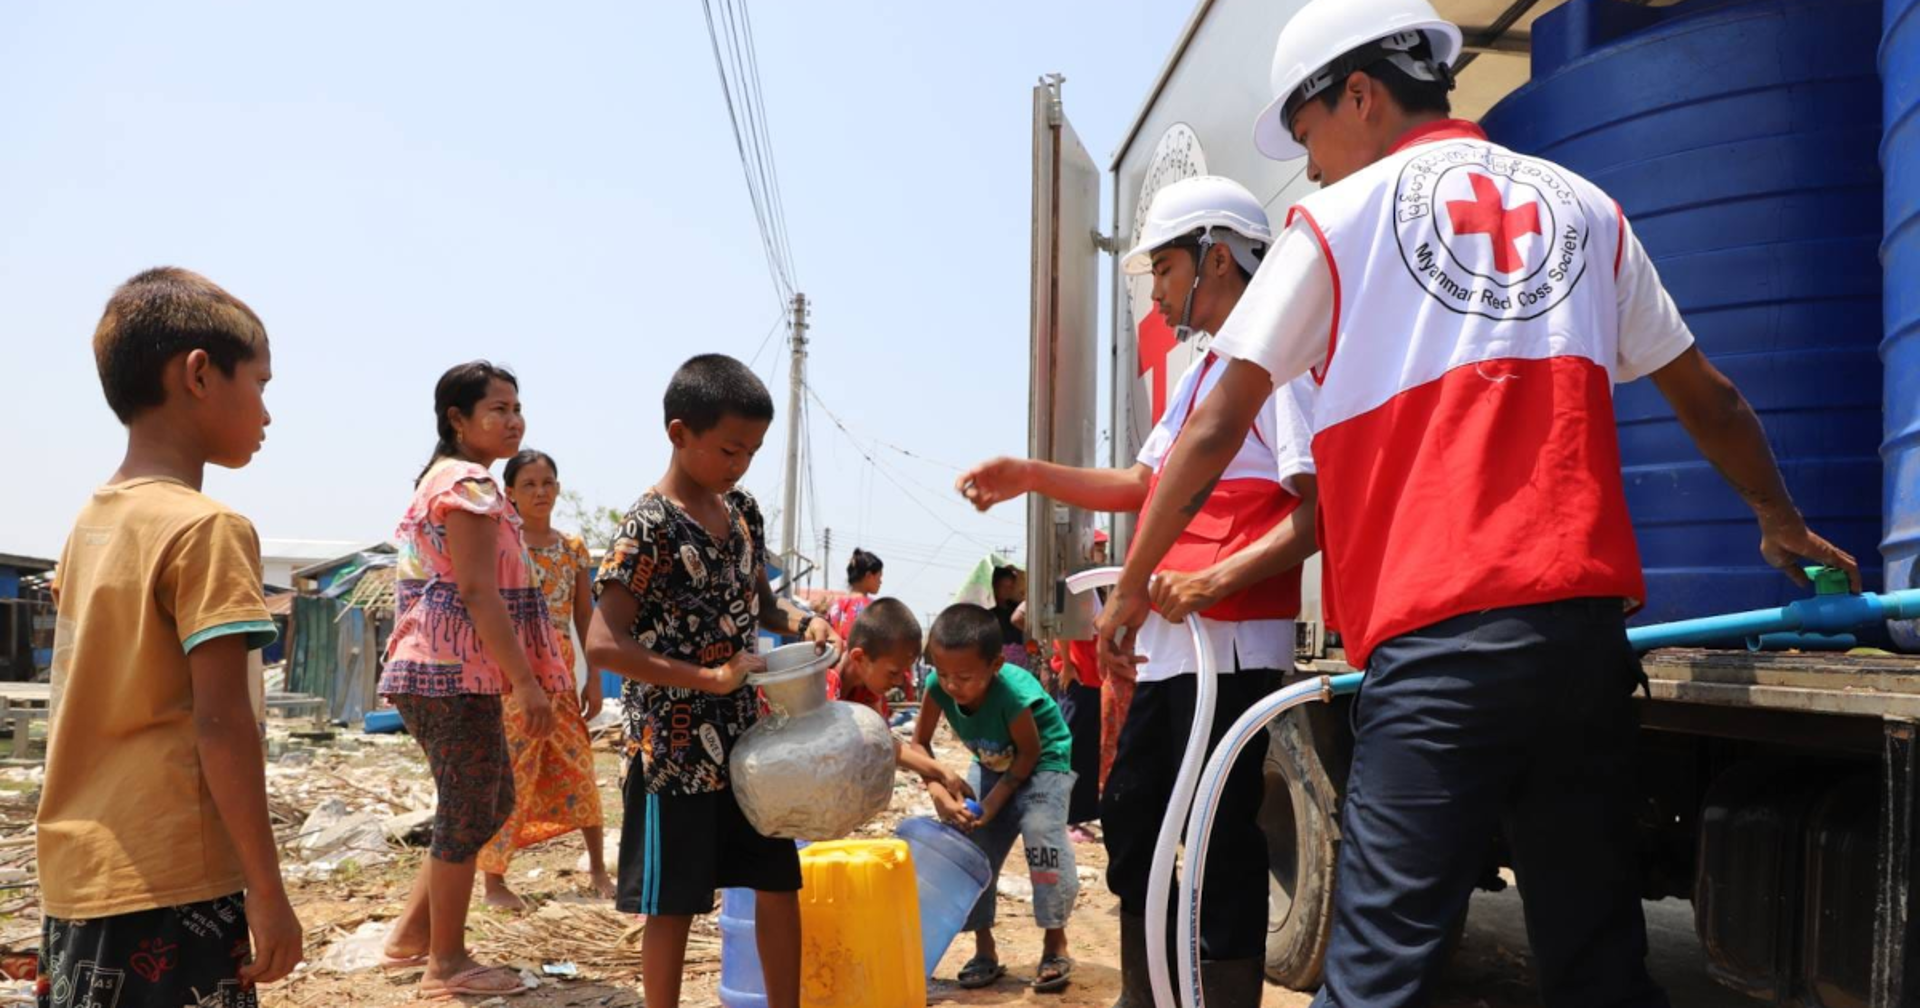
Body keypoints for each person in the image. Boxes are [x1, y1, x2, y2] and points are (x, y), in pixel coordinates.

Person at [1097, 2, 1862, 1005]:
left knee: (1379, 971)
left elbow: (1210, 428)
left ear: (1359, 96)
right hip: (1584, 649)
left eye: (1305, 130)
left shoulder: (1334, 222)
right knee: (1596, 957)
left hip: (1441, 644)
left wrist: (1130, 593)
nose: (1310, 160)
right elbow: (1710, 398)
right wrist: (1777, 516)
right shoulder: (1588, 205)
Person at [960, 175, 1319, 1007]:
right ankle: (1146, 993)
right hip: (1173, 648)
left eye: (1163, 268)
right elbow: (1142, 483)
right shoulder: (1208, 371)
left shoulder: (1281, 363)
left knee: (1221, 835)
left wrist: (1216, 577)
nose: (1155, 292)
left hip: (1228, 648)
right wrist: (1027, 475)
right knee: (1134, 822)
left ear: (1216, 259)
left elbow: (1318, 511)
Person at [36, 268, 302, 1008]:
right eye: (260, 382)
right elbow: (222, 724)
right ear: (198, 374)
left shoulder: (89, 525)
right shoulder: (207, 529)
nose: (267, 412)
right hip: (173, 874)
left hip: (78, 872)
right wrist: (268, 890)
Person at [583, 354, 839, 1008]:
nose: (740, 465)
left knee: (778, 883)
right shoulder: (648, 527)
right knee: (673, 903)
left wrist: (805, 621)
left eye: (751, 452)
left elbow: (760, 602)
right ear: (679, 433)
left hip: (750, 744)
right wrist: (709, 676)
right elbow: (603, 642)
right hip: (673, 750)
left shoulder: (743, 510)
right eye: (729, 449)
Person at [378, 362, 575, 1000]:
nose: (513, 419)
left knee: (485, 803)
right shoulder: (467, 484)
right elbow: (476, 590)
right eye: (497, 408)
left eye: (517, 407)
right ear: (458, 420)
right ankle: (446, 966)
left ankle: (412, 937)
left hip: (446, 668)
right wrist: (526, 683)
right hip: (448, 669)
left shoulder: (460, 479)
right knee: (469, 808)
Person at [912, 604, 1078, 994]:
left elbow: (1029, 754)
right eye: (944, 672)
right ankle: (983, 948)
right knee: (973, 848)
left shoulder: (1012, 695)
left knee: (1042, 837)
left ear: (996, 666)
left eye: (965, 677)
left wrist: (993, 805)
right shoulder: (939, 685)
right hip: (992, 762)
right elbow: (918, 743)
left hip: (1042, 761)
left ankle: (1055, 941)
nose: (952, 685)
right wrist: (938, 791)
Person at [478, 449, 615, 909]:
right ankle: (493, 882)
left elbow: (583, 615)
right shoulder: (500, 544)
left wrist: (593, 676)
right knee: (511, 772)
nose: (541, 492)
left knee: (580, 766)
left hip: (558, 674)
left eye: (548, 483)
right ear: (510, 494)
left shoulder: (571, 548)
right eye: (529, 485)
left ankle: (597, 869)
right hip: (513, 672)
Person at [1050, 531, 1109, 842]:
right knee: (1071, 746)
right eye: (1098, 547)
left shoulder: (1093, 583)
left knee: (1086, 748)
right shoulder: (1071, 581)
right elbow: (1060, 625)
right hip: (1077, 674)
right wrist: (1068, 666)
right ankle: (1066, 818)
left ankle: (1080, 814)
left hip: (1091, 675)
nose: (1103, 552)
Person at [824, 595, 919, 719]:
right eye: (893, 673)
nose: (899, 682)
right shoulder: (824, 687)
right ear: (859, 658)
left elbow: (877, 730)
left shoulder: (866, 685)